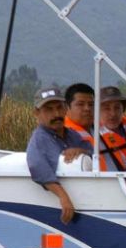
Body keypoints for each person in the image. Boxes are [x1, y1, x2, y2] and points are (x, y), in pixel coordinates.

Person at [26, 87, 93, 224]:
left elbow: (92, 153)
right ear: (36, 113)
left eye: (59, 108)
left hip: (86, 201)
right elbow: (38, 168)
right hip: (60, 209)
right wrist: (63, 198)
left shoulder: (72, 134)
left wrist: (81, 151)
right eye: (49, 109)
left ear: (65, 109)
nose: (56, 114)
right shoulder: (39, 139)